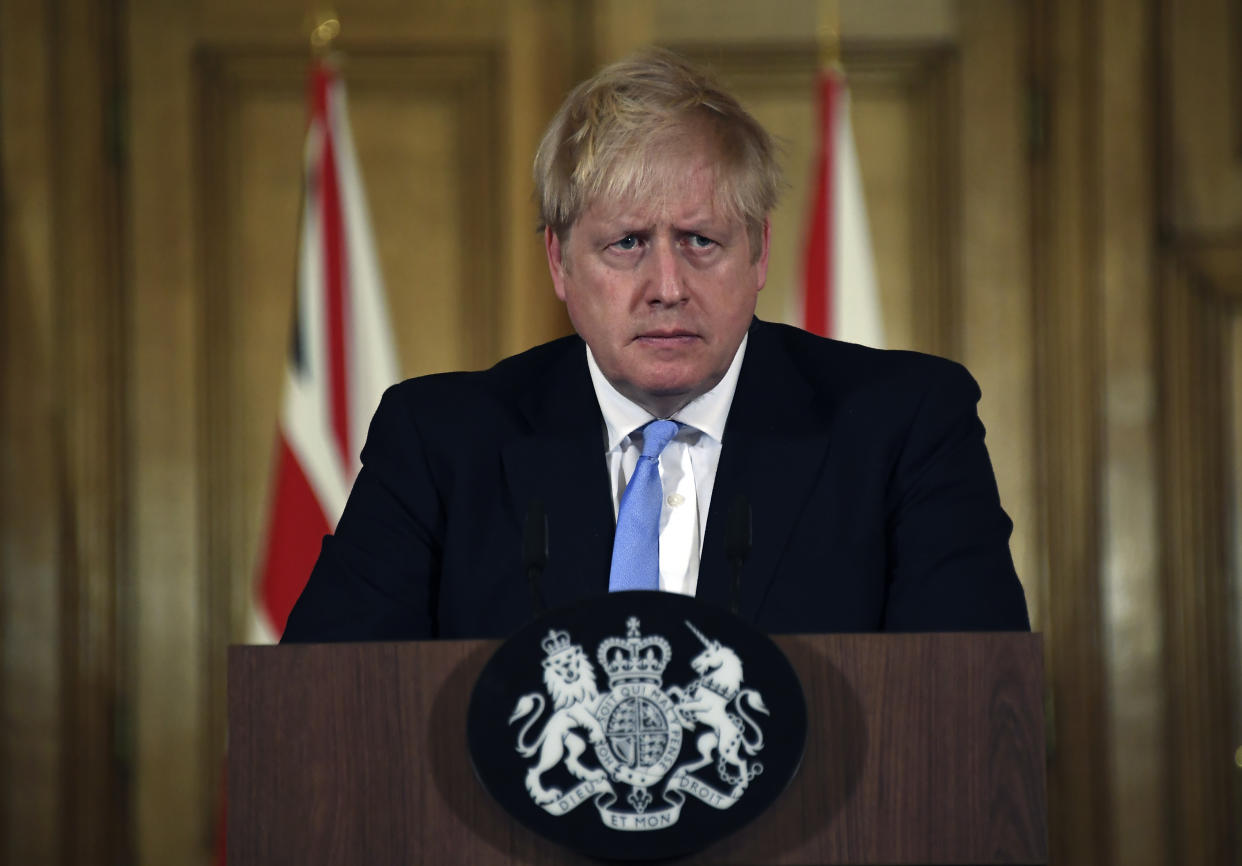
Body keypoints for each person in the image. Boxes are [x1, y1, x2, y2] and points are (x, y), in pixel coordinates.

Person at [281, 48, 1029, 643]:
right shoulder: (441, 444)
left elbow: (964, 709)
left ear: (760, 252)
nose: (666, 285)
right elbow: (327, 710)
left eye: (701, 240)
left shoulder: (905, 426)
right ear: (558, 262)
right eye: (627, 243)